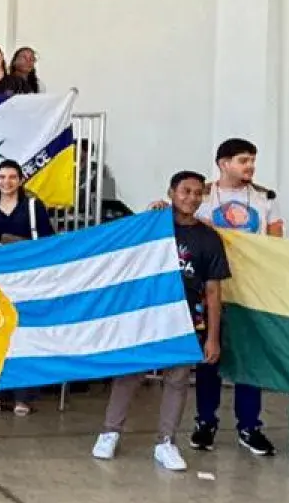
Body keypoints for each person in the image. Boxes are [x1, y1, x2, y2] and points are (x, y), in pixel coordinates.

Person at [93, 171, 226, 473]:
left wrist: (213, 337)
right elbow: (125, 251)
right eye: (185, 191)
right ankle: (110, 432)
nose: (191, 198)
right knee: (129, 373)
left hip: (186, 317)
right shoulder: (154, 225)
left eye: (197, 193)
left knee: (177, 380)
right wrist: (146, 216)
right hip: (147, 314)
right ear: (171, 192)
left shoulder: (209, 238)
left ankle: (166, 441)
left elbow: (214, 290)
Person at [186, 138, 280, 456]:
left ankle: (249, 426)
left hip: (251, 292)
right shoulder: (202, 197)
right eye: (243, 160)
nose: (250, 166)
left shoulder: (266, 200)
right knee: (208, 358)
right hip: (210, 290)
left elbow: (279, 247)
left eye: (252, 160)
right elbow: (180, 222)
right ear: (223, 163)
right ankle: (205, 422)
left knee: (248, 361)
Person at [0, 160, 56, 415]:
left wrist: (17, 245)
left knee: (24, 337)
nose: (7, 182)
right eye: (2, 177)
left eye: (12, 177)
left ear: (21, 180)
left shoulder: (34, 207)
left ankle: (24, 396)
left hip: (27, 283)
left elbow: (48, 246)